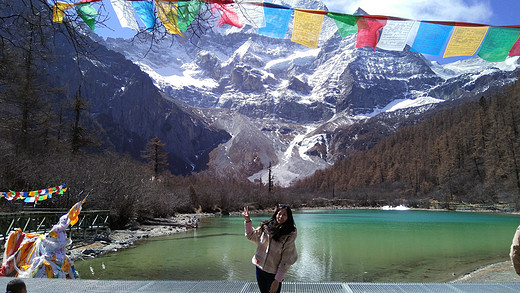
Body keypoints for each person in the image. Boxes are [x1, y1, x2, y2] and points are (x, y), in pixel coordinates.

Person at [242, 204, 298, 293]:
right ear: (276, 214)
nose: (281, 216)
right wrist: (248, 220)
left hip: (273, 274)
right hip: (259, 268)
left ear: (289, 217)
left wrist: (277, 280)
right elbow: (251, 236)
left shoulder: (289, 235)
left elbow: (286, 260)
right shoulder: (266, 226)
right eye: (279, 213)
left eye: (284, 215)